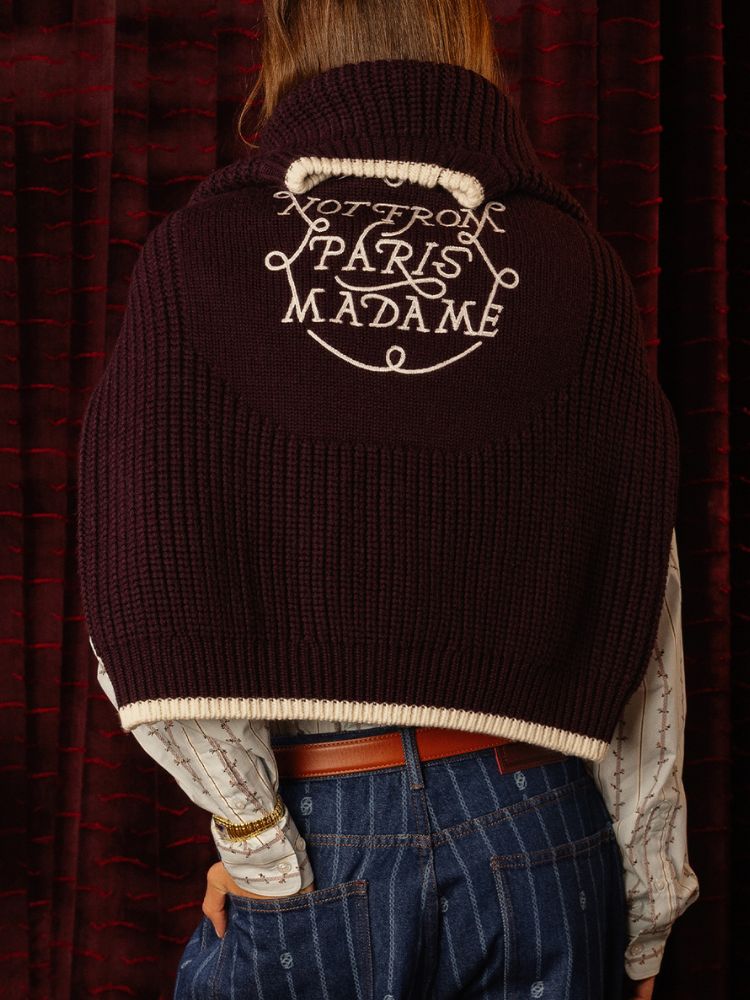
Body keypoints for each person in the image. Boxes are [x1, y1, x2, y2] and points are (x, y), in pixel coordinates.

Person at [76, 1, 700, 997]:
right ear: (467, 34)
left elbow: (133, 572)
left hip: (325, 827)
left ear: (286, 38)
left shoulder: (200, 252)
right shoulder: (575, 262)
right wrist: (649, 900)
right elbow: (641, 600)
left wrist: (257, 834)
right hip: (541, 826)